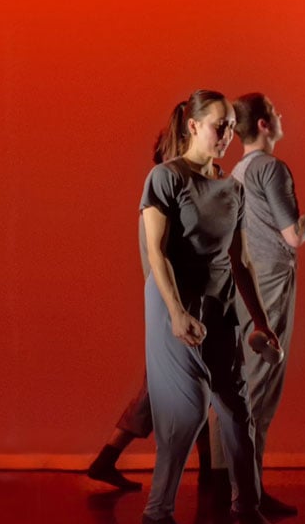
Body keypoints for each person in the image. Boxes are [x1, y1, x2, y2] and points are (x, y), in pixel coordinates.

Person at [139, 89, 283, 524]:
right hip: (173, 310)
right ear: (193, 126)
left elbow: (242, 262)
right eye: (219, 125)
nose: (228, 134)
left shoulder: (233, 188)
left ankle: (249, 508)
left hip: (220, 313)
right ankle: (158, 510)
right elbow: (156, 253)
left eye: (230, 125)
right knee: (186, 414)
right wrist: (177, 313)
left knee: (239, 413)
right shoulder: (165, 178)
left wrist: (261, 323)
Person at [229, 92, 305, 515]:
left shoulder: (240, 170)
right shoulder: (272, 168)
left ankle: (249, 491)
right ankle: (246, 498)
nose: (282, 115)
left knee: (248, 390)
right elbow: (295, 237)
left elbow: (286, 234)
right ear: (263, 124)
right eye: (275, 112)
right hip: (272, 287)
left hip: (251, 286)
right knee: (259, 394)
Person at [87, 134, 214, 492]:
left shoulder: (164, 194)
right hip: (171, 304)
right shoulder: (163, 194)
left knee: (191, 383)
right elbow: (161, 258)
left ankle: (207, 472)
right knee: (170, 387)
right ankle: (111, 459)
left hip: (172, 303)